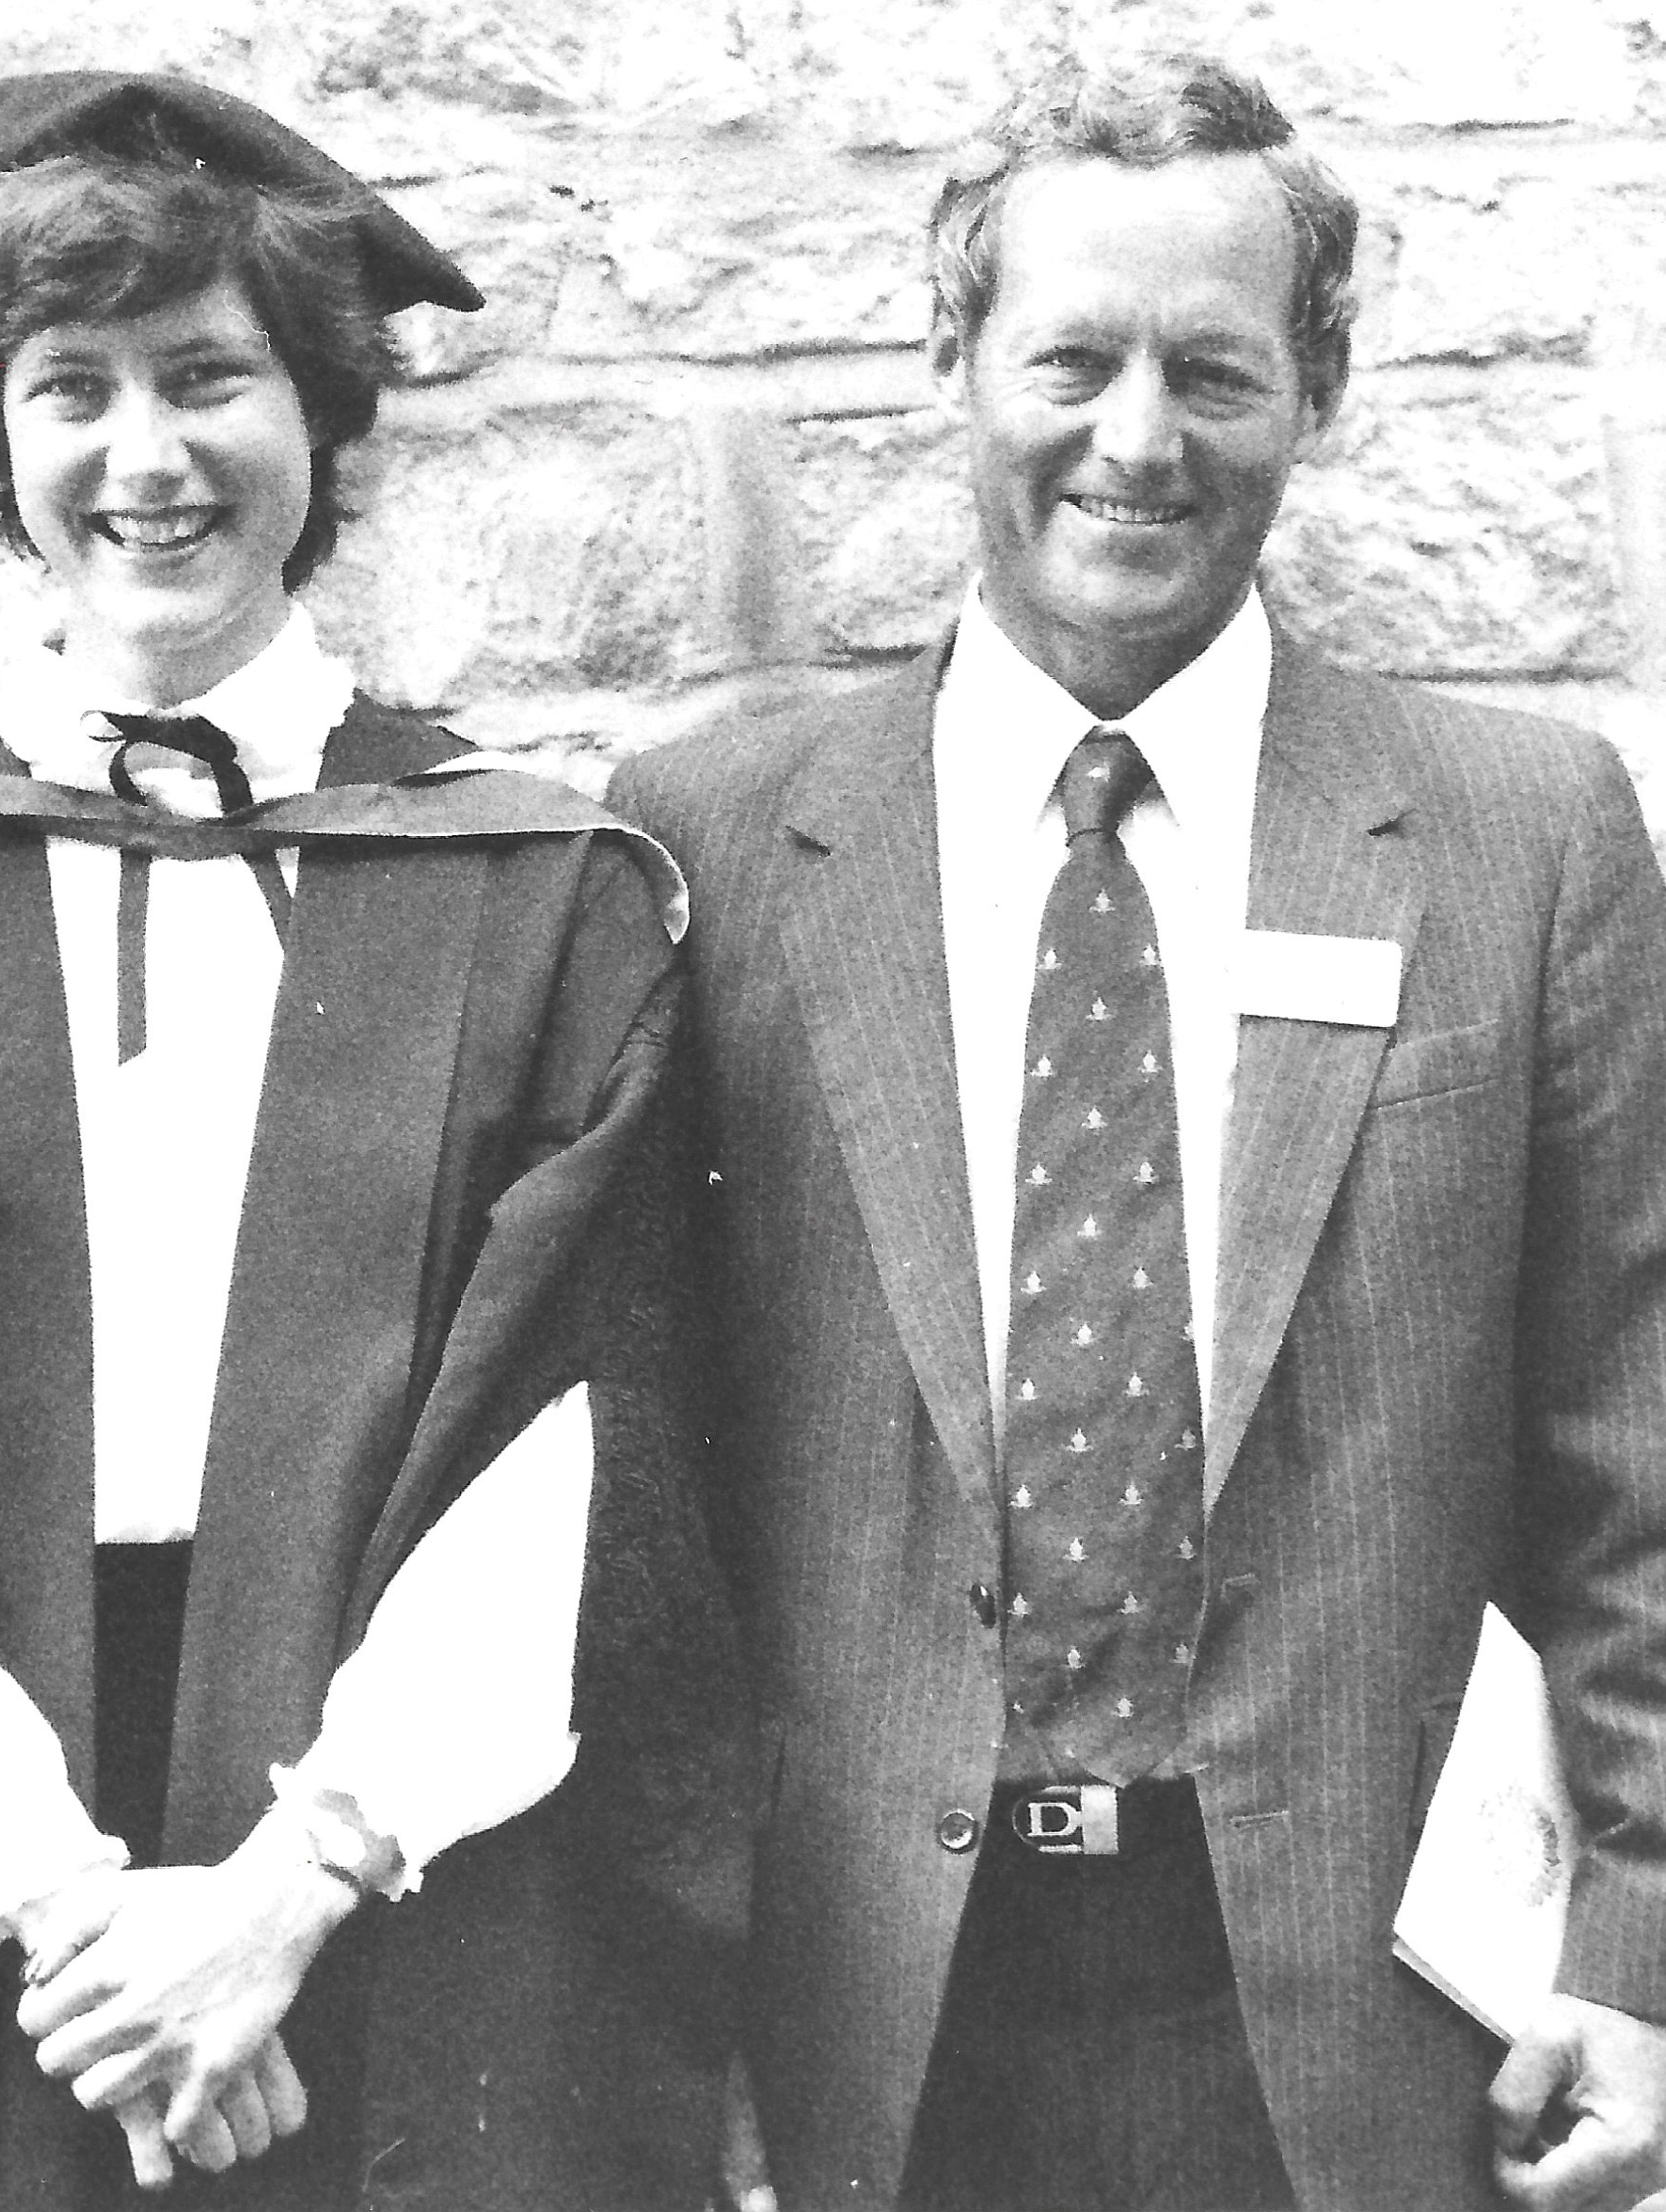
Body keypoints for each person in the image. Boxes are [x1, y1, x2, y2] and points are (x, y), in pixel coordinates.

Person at [0, 70, 755, 2212]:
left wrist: (280, 1896)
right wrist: (77, 1922)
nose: (145, 457)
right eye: (71, 388)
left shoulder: (535, 889)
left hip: (408, 1876)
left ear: (320, 420)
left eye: (210, 379)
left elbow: (578, 1443)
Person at [611, 50, 1666, 2212]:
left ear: (1322, 387)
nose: (1133, 438)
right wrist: (647, 2021)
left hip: (1367, 2022)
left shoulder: (1515, 837)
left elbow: (1631, 1459)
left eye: (1210, 369)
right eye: (1067, 360)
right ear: (947, 362)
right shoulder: (711, 838)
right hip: (858, 2025)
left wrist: (1639, 1960)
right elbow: (640, 1508)